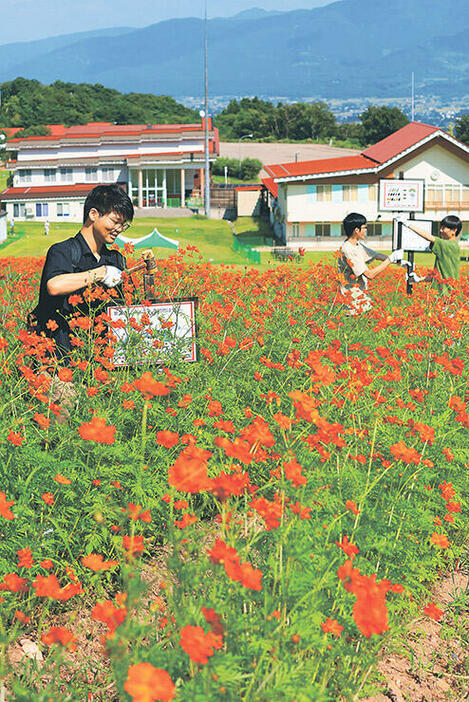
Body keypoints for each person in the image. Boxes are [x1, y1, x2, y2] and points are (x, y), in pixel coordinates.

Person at [30, 184, 134, 361]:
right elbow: (54, 285)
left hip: (101, 361)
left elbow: (129, 305)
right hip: (59, 361)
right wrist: (100, 273)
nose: (118, 229)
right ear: (93, 214)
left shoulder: (115, 259)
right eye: (115, 221)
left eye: (123, 225)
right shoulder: (63, 251)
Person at [338, 212, 407, 315]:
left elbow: (376, 255)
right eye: (364, 228)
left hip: (361, 298)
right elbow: (370, 274)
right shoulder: (348, 249)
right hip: (353, 302)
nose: (366, 230)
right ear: (356, 230)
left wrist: (398, 261)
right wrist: (390, 259)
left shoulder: (357, 245)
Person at [395, 215, 461, 295]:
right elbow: (442, 273)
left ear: (454, 230)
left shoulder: (448, 245)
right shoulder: (452, 246)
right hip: (445, 294)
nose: (441, 230)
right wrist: (420, 279)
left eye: (444, 228)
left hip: (445, 295)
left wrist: (407, 224)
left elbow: (429, 237)